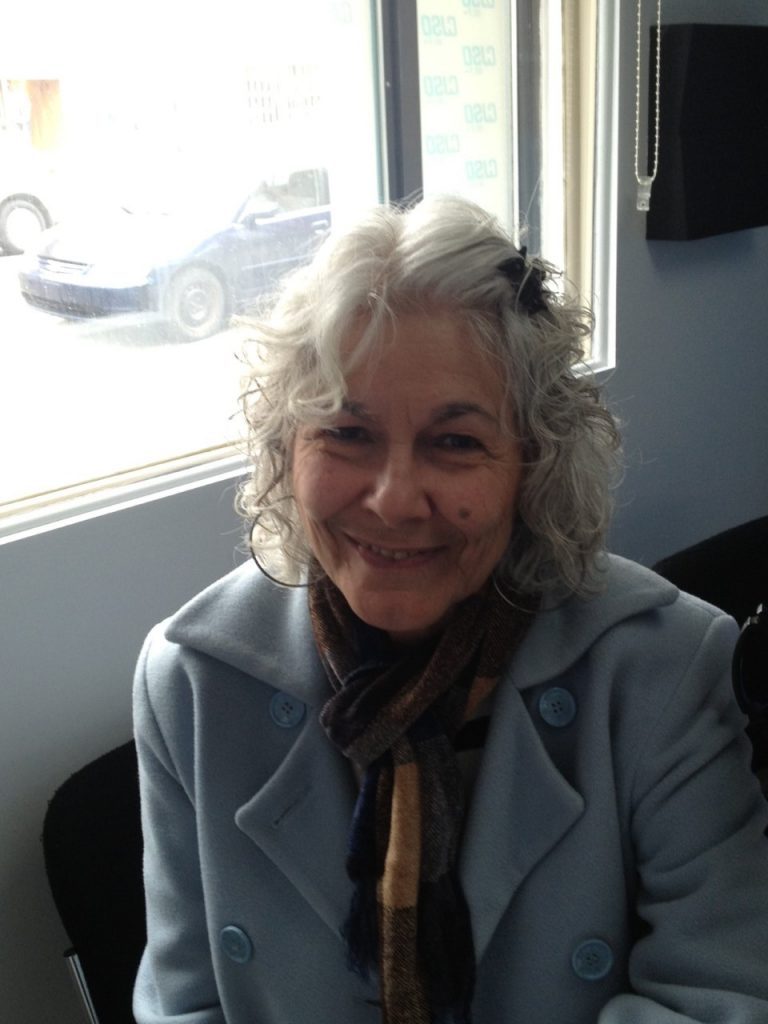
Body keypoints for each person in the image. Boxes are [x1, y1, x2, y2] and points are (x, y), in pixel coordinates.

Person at [132, 195, 768, 1024]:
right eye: (346, 433)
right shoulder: (188, 682)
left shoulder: (667, 669)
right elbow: (184, 1003)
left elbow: (720, 994)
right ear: (287, 448)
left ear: (533, 464)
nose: (394, 501)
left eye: (456, 441)